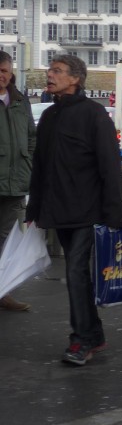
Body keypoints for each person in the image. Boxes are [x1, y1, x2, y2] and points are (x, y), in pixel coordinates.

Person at [26, 54, 122, 366]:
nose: (49, 74)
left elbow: (110, 166)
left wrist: (113, 213)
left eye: (57, 71)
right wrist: (35, 210)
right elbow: (40, 166)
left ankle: (81, 340)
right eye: (50, 70)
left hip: (88, 210)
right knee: (77, 272)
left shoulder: (94, 114)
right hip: (61, 209)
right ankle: (94, 335)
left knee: (76, 272)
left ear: (76, 79)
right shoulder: (51, 116)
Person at [0, 51, 35, 312]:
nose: (2, 76)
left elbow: (32, 136)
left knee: (8, 240)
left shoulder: (21, 101)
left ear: (11, 73)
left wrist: (29, 163)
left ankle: (4, 292)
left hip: (14, 183)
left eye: (5, 71)